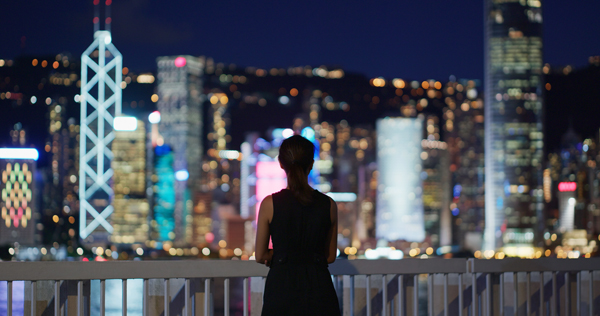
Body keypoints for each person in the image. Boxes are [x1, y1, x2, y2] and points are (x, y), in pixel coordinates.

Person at [255, 135, 340, 316]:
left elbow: (260, 255)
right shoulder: (329, 205)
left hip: (281, 288)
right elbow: (330, 256)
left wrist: (280, 254)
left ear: (281, 163)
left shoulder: (270, 204)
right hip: (319, 288)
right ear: (311, 164)